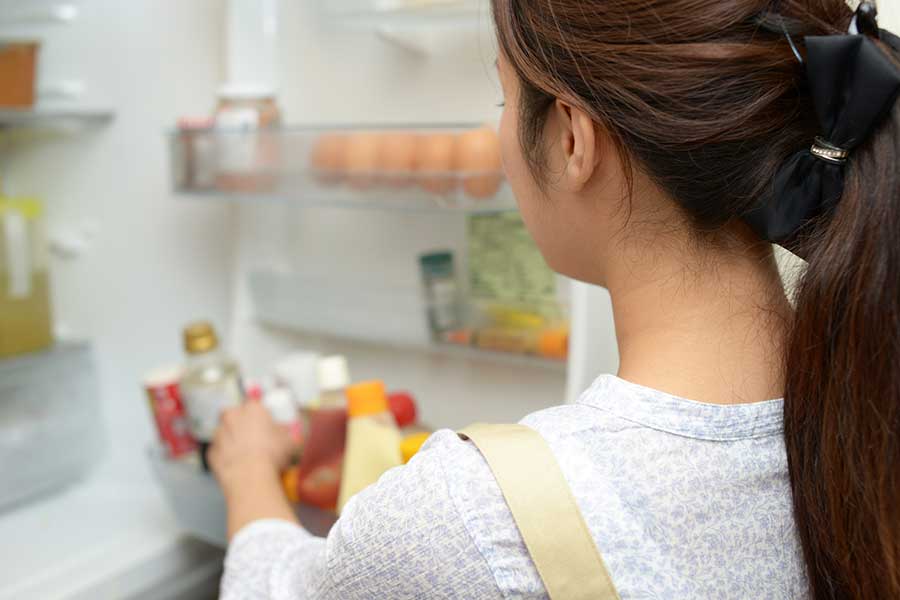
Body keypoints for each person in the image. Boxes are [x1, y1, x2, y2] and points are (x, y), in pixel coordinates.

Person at [210, 1, 900, 598]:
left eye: (505, 100)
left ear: (573, 139)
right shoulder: (865, 407)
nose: (498, 136)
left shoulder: (470, 518)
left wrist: (247, 473)